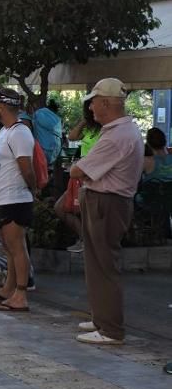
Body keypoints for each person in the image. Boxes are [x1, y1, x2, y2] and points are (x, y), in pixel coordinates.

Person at [70, 78, 143, 345]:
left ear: (105, 103)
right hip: (107, 201)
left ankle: (110, 328)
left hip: (107, 202)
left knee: (103, 265)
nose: (90, 109)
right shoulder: (122, 130)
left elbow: (80, 170)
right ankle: (102, 318)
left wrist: (78, 167)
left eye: (93, 103)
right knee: (98, 263)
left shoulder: (116, 135)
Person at [0, 88, 36, 313]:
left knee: (17, 247)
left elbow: (26, 168)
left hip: (16, 197)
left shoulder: (19, 132)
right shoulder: (6, 131)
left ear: (2, 107)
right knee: (8, 246)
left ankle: (21, 294)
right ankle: (9, 288)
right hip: (4, 196)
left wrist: (33, 190)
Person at [58, 100, 102, 252]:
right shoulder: (89, 128)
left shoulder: (106, 130)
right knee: (61, 208)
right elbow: (72, 136)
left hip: (92, 176)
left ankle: (87, 241)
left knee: (85, 212)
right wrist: (84, 121)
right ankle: (84, 238)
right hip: (80, 174)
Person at [33, 97, 63, 168]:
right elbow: (57, 130)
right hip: (51, 148)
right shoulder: (54, 118)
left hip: (43, 147)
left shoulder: (38, 114)